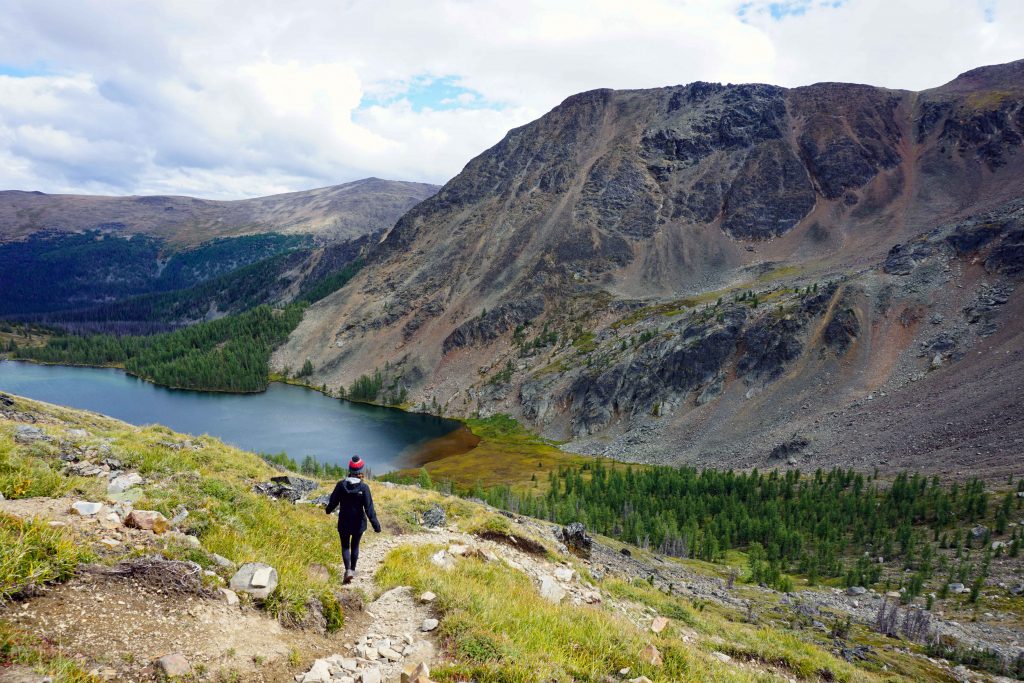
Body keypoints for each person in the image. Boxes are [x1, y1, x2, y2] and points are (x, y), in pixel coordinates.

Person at [325, 456, 381, 583]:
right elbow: (369, 508)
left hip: (344, 522)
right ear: (361, 470)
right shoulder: (364, 488)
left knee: (345, 547)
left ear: (350, 469)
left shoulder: (341, 485)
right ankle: (353, 570)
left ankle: (347, 570)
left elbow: (333, 501)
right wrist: (376, 525)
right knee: (355, 546)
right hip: (358, 524)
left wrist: (328, 510)